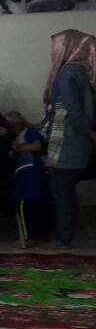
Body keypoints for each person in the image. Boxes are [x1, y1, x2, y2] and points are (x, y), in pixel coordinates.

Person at [43, 30, 96, 249]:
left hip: (67, 142)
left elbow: (73, 110)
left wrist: (88, 132)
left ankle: (63, 238)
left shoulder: (67, 72)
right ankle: (66, 233)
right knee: (66, 189)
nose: (53, 52)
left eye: (55, 47)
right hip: (77, 141)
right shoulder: (82, 71)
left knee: (62, 190)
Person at [6, 111, 54, 242]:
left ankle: (31, 235)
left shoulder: (30, 132)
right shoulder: (14, 136)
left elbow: (37, 146)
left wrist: (19, 148)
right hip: (25, 171)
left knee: (27, 202)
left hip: (32, 171)